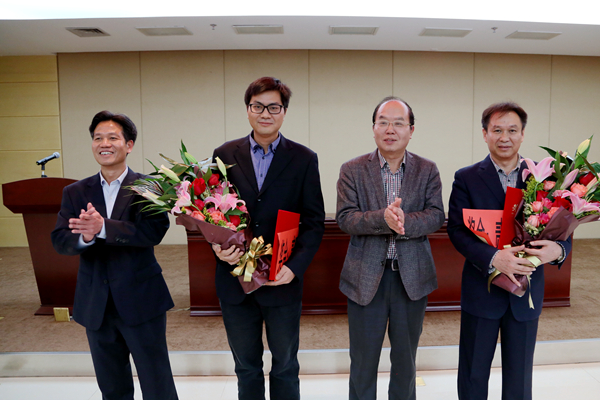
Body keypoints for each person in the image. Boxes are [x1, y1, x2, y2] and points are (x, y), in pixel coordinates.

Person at [447, 102, 572, 400]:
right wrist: (493, 258)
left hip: (526, 294)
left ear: (523, 134)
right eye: (497, 130)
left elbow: (565, 226)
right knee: (473, 375)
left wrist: (558, 250)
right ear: (485, 134)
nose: (505, 137)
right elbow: (457, 231)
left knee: (520, 379)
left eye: (512, 130)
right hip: (482, 291)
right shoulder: (466, 178)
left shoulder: (544, 178)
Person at [211, 76, 325, 400]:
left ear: (284, 112)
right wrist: (217, 246)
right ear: (247, 110)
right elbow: (211, 211)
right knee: (246, 366)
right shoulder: (223, 153)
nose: (265, 113)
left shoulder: (304, 158)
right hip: (235, 278)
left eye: (273, 107)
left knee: (285, 365)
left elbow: (314, 221)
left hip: (281, 279)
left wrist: (295, 267)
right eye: (257, 106)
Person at [51, 111, 178, 400]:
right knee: (112, 387)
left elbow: (154, 232)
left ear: (129, 145)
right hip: (95, 301)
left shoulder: (149, 186)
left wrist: (104, 228)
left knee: (157, 383)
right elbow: (60, 240)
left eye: (112, 137)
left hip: (141, 299)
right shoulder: (74, 191)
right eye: (98, 138)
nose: (104, 144)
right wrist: (85, 237)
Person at [336, 96, 445, 400]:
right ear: (373, 128)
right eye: (383, 122)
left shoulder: (427, 169)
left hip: (411, 279)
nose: (390, 129)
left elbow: (436, 214)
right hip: (365, 278)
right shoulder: (352, 169)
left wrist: (404, 221)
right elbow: (345, 218)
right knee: (362, 362)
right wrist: (382, 219)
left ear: (411, 130)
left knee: (405, 363)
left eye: (398, 123)